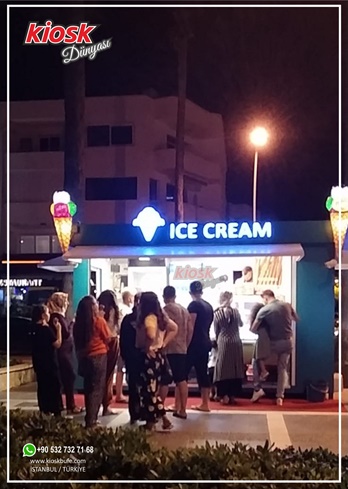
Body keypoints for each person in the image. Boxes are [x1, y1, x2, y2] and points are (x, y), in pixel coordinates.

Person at [136, 291, 178, 431]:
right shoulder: (161, 317)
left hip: (149, 358)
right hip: (159, 356)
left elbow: (150, 333)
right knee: (152, 390)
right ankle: (153, 421)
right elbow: (174, 328)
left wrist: (148, 347)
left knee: (148, 390)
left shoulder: (149, 318)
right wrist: (163, 343)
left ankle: (163, 419)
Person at [250, 289, 299, 406]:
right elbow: (296, 319)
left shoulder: (265, 310)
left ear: (265, 298)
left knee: (256, 359)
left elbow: (253, 329)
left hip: (273, 343)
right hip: (288, 342)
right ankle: (279, 397)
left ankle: (257, 388)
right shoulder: (286, 305)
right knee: (282, 369)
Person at [73, 295, 111, 428]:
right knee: (97, 389)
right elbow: (108, 337)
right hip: (99, 356)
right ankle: (91, 420)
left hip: (85, 358)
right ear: (92, 307)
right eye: (95, 304)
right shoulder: (98, 321)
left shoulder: (78, 324)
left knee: (88, 388)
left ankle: (90, 416)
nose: (98, 305)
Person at [159, 286, 193, 420]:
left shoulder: (165, 310)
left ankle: (159, 408)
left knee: (164, 380)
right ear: (175, 295)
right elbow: (190, 330)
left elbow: (162, 328)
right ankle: (182, 409)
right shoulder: (184, 310)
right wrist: (186, 344)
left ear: (164, 296)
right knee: (181, 380)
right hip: (182, 348)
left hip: (168, 348)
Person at [47, 292, 81, 416]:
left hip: (63, 352)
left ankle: (68, 405)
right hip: (63, 353)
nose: (67, 304)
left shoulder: (56, 316)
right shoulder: (57, 317)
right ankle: (70, 405)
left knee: (68, 378)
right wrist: (73, 323)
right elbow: (66, 334)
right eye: (65, 301)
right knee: (68, 377)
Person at [186, 281, 214, 412]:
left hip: (194, 343)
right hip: (205, 342)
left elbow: (191, 326)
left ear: (190, 292)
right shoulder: (208, 306)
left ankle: (180, 403)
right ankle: (205, 403)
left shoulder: (193, 305)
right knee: (203, 373)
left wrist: (186, 342)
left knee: (183, 374)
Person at [31, 304, 63, 417]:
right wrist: (59, 329)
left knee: (42, 387)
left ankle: (44, 409)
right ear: (43, 315)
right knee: (54, 386)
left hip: (39, 364)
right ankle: (55, 409)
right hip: (50, 364)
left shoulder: (33, 329)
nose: (49, 315)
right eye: (48, 313)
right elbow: (57, 343)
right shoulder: (46, 330)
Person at [213, 291, 244, 405]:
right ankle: (232, 394)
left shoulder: (217, 313)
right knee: (235, 369)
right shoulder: (236, 312)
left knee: (223, 369)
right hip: (236, 341)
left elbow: (217, 330)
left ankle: (223, 394)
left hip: (224, 342)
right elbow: (241, 324)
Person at [119, 293, 142, 424]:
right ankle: (143, 413)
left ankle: (134, 413)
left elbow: (123, 340)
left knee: (133, 386)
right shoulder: (146, 319)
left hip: (131, 357)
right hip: (142, 356)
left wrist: (124, 355)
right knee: (144, 386)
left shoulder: (128, 319)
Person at [97, 290, 120, 416]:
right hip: (111, 341)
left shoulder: (97, 311)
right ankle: (106, 405)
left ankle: (99, 404)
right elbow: (113, 328)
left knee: (100, 375)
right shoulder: (112, 310)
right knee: (109, 375)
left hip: (100, 343)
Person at [116, 290, 134, 402]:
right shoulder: (126, 311)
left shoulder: (121, 309)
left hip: (120, 340)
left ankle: (119, 393)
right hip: (124, 341)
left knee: (120, 369)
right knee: (121, 368)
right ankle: (119, 394)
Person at [250, 302, 271, 381]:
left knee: (258, 358)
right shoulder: (266, 323)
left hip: (262, 339)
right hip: (266, 339)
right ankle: (262, 373)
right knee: (258, 358)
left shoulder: (258, 320)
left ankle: (263, 372)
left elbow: (252, 329)